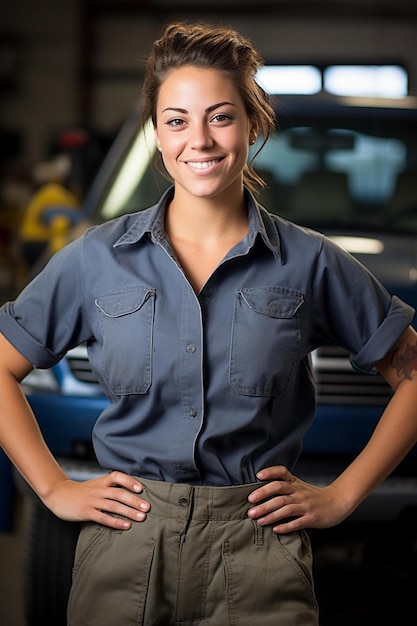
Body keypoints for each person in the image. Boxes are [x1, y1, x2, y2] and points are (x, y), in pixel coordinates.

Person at [0, 21, 417, 626]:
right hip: (126, 543)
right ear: (156, 133)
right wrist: (55, 488)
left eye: (221, 116)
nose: (200, 139)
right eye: (176, 120)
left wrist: (342, 495)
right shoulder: (95, 259)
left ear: (252, 124)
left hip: (258, 548)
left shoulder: (311, 262)